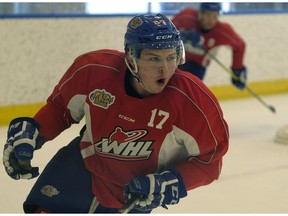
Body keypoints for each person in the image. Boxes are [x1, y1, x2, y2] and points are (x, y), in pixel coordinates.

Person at [3, 13, 229, 213]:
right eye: (154, 58)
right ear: (131, 57)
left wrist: (172, 181)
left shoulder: (194, 101)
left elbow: (210, 162)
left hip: (136, 188)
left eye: (171, 57)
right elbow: (61, 109)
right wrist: (33, 133)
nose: (165, 69)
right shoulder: (94, 71)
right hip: (81, 167)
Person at [172, 3, 247, 90]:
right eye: (208, 15)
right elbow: (167, 30)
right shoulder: (186, 17)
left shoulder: (222, 31)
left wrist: (237, 69)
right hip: (176, 60)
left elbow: (240, 46)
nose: (211, 21)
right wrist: (181, 35)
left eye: (215, 17)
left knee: (190, 92)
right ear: (200, 13)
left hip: (197, 66)